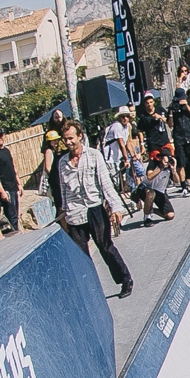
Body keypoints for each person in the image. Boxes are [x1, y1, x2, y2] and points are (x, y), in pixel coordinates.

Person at [55, 119, 132, 298]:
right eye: (65, 139)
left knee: (106, 246)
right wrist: (64, 215)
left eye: (71, 138)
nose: (68, 142)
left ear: (80, 136)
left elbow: (106, 183)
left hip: (94, 209)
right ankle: (92, 292)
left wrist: (116, 208)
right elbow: (63, 190)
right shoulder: (62, 163)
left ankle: (125, 279)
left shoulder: (94, 155)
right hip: (74, 213)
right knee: (81, 256)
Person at [0, 130, 21, 233]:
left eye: (0, 135)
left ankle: (17, 232)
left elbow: (13, 167)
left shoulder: (7, 151)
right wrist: (1, 190)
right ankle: (16, 236)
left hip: (13, 186)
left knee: (16, 214)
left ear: (3, 135)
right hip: (6, 188)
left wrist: (19, 183)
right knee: (11, 216)